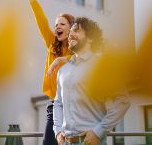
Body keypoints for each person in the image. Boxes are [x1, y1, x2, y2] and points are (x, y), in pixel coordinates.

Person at [53, 17, 130, 145]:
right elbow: (57, 103)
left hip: (91, 142)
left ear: (90, 38)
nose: (70, 34)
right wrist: (58, 131)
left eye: (76, 31)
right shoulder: (63, 70)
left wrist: (98, 131)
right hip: (65, 142)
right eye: (70, 32)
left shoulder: (102, 66)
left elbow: (123, 100)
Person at [21, 0, 74, 145]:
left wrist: (61, 60)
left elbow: (84, 61)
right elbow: (39, 16)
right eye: (56, 24)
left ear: (71, 27)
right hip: (55, 104)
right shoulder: (52, 43)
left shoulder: (77, 49)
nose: (57, 26)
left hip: (74, 105)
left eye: (62, 24)